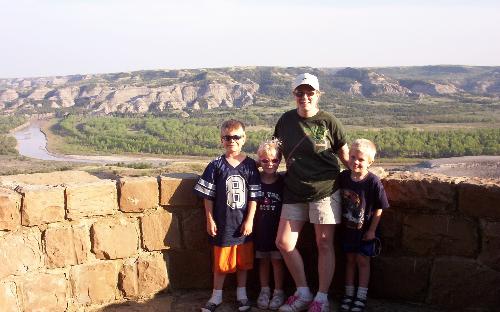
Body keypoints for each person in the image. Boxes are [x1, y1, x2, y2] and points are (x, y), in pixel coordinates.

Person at [273, 73, 349, 312]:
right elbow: (273, 150)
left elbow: (344, 155)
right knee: (283, 243)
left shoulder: (328, 121)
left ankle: (322, 299)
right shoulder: (285, 120)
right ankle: (303, 292)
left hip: (325, 190)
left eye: (310, 92)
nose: (304, 97)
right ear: (294, 94)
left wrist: (361, 177)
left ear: (318, 94)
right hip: (294, 190)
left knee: (324, 244)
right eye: (299, 92)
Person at [193, 119, 262, 312]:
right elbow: (208, 196)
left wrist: (249, 220)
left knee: (243, 262)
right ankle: (216, 296)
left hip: (243, 224)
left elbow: (254, 197)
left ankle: (242, 295)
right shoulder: (215, 165)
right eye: (227, 137)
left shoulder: (250, 166)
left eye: (236, 137)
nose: (231, 141)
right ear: (221, 140)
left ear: (244, 139)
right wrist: (209, 219)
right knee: (221, 263)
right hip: (223, 223)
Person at [337, 139, 389, 312]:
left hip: (365, 231)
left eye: (361, 159)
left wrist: (373, 230)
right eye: (352, 157)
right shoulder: (343, 177)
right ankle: (349, 294)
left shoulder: (373, 182)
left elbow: (380, 208)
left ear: (370, 162)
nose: (356, 162)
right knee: (350, 260)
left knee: (363, 261)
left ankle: (361, 296)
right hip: (347, 230)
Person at [254, 138, 287, 310]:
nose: (270, 164)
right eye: (265, 160)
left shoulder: (283, 182)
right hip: (260, 229)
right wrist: (256, 163)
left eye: (275, 160)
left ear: (280, 160)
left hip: (277, 229)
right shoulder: (255, 180)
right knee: (263, 260)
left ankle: (278, 291)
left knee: (276, 260)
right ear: (260, 161)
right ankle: (264, 290)